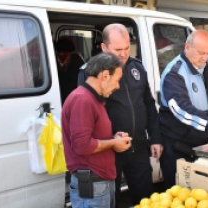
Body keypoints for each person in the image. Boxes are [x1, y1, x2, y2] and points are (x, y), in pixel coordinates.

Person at [79, 24, 163, 206]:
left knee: (145, 199)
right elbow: (87, 115)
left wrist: (155, 138)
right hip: (109, 150)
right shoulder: (90, 72)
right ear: (104, 48)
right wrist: (110, 141)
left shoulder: (137, 68)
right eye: (118, 50)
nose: (124, 54)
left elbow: (148, 104)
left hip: (138, 146)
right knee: (111, 199)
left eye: (127, 48)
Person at [159, 30, 208, 189]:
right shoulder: (175, 73)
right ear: (187, 47)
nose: (204, 58)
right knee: (178, 198)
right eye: (200, 52)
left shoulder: (205, 68)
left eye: (207, 53)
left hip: (200, 148)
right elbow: (181, 109)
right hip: (178, 149)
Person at [62, 53, 132, 208]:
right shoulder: (82, 99)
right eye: (117, 80)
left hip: (100, 183)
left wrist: (113, 137)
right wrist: (113, 143)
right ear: (105, 75)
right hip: (92, 186)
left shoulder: (93, 98)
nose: (118, 86)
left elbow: (92, 136)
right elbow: (81, 145)